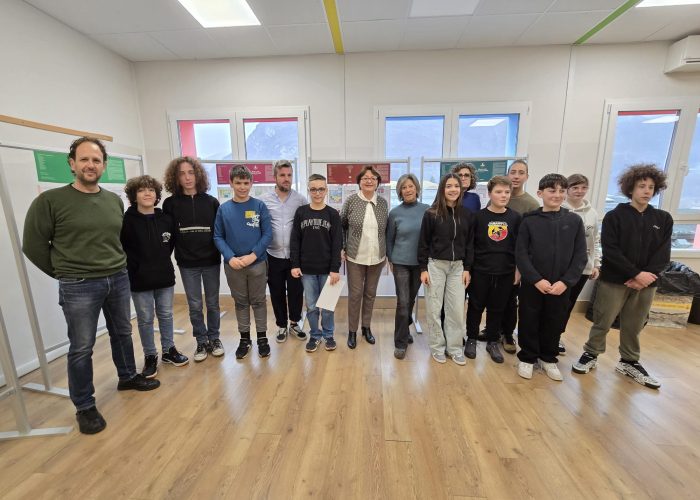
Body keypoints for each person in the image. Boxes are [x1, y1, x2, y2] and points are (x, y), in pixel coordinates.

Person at [23, 137, 159, 435]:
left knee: (122, 333)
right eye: (84, 159)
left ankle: (127, 376)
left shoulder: (112, 200)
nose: (90, 165)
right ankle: (84, 405)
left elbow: (115, 240)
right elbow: (32, 246)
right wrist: (65, 273)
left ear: (104, 166)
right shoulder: (50, 201)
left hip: (117, 277)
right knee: (82, 347)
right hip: (79, 285)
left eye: (96, 160)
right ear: (72, 164)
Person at [573, 165, 672, 389]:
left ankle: (629, 361)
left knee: (634, 323)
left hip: (647, 283)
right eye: (641, 186)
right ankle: (591, 354)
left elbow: (663, 253)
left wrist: (647, 276)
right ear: (631, 189)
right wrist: (634, 273)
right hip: (615, 279)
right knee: (603, 320)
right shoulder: (615, 216)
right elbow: (611, 249)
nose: (646, 191)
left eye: (651, 187)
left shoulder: (663, 218)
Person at [515, 174, 587, 381]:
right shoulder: (529, 221)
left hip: (561, 285)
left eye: (561, 191)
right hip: (533, 284)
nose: (557, 195)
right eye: (551, 190)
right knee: (529, 319)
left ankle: (548, 357)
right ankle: (527, 357)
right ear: (540, 193)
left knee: (554, 320)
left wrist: (566, 282)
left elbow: (580, 255)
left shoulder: (574, 221)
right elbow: (521, 253)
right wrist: (536, 279)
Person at [120, 175, 189, 379]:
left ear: (157, 195)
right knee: (145, 319)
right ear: (134, 195)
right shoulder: (127, 221)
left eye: (151, 190)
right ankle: (150, 356)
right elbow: (123, 249)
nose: (147, 193)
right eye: (141, 190)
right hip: (139, 279)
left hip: (164, 276)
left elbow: (170, 245)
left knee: (166, 315)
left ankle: (169, 350)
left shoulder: (166, 219)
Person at [162, 157, 222, 362]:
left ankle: (214, 338)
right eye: (181, 173)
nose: (187, 178)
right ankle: (201, 340)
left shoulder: (211, 201)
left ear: (198, 175)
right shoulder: (170, 204)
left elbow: (219, 233)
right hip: (187, 264)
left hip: (211, 261)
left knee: (213, 303)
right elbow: (167, 235)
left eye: (190, 172)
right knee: (195, 305)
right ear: (175, 178)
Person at [482, 159, 541, 354]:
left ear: (526, 177)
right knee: (495, 300)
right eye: (513, 172)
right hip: (493, 263)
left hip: (513, 263)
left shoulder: (530, 204)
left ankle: (507, 334)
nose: (516, 176)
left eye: (521, 172)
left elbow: (529, 239)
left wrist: (520, 267)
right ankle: (493, 331)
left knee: (510, 301)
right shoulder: (496, 199)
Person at [214, 165, 272, 359]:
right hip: (234, 266)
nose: (242, 187)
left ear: (251, 183)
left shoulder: (259, 206)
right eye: (238, 183)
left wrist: (253, 255)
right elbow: (218, 237)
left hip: (257, 263)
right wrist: (230, 257)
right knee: (240, 303)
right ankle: (244, 339)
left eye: (246, 183)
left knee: (258, 301)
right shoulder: (224, 209)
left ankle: (262, 338)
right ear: (231, 183)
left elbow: (267, 234)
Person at [418, 173, 474, 366]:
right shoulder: (431, 214)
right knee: (434, 309)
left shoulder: (466, 214)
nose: (453, 190)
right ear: (442, 189)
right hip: (435, 265)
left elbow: (470, 244)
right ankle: (437, 347)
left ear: (461, 189)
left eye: (456, 186)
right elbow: (423, 243)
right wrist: (423, 268)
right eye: (448, 186)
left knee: (456, 310)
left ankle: (455, 348)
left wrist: (467, 268)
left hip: (458, 267)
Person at [464, 176, 521, 364]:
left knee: (498, 308)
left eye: (506, 192)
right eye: (498, 192)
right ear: (489, 194)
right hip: (481, 270)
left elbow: (519, 247)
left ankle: (492, 341)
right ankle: (471, 338)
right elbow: (471, 245)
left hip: (505, 272)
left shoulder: (515, 218)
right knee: (475, 306)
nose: (503, 195)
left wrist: (517, 270)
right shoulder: (478, 217)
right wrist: (469, 270)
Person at [290, 174, 342, 353]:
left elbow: (337, 244)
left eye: (321, 189)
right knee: (311, 306)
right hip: (307, 270)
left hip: (328, 270)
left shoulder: (333, 214)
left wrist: (335, 269)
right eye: (313, 189)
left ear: (326, 190)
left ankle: (328, 335)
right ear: (309, 190)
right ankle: (315, 335)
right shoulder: (301, 212)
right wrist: (295, 264)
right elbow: (295, 240)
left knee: (327, 307)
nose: (317, 192)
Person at [341, 165, 389, 349]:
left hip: (377, 257)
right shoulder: (351, 201)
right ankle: (352, 330)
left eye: (373, 178)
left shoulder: (383, 203)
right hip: (355, 257)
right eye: (365, 178)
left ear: (378, 182)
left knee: (370, 294)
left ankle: (366, 327)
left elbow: (386, 229)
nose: (369, 180)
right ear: (359, 182)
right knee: (355, 295)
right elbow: (342, 225)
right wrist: (342, 247)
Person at [259, 160, 308, 343]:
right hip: (273, 255)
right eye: (282, 175)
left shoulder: (300, 199)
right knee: (276, 291)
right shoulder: (264, 200)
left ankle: (295, 323)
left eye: (289, 175)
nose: (286, 179)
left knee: (296, 291)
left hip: (295, 257)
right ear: (275, 177)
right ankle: (281, 325)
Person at [386, 174, 429, 360]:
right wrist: (390, 258)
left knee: (410, 301)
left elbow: (429, 238)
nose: (408, 190)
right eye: (404, 187)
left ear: (417, 189)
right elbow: (389, 239)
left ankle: (405, 331)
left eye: (411, 186)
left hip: (420, 265)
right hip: (401, 263)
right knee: (402, 303)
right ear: (400, 192)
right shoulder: (395, 213)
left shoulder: (427, 210)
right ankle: (400, 343)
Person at [559, 173, 600, 353]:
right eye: (575, 187)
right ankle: (548, 334)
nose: (579, 191)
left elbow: (595, 240)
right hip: (560, 268)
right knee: (557, 304)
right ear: (567, 190)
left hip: (583, 267)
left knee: (569, 304)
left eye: (583, 187)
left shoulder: (592, 213)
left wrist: (595, 263)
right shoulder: (558, 209)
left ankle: (558, 335)